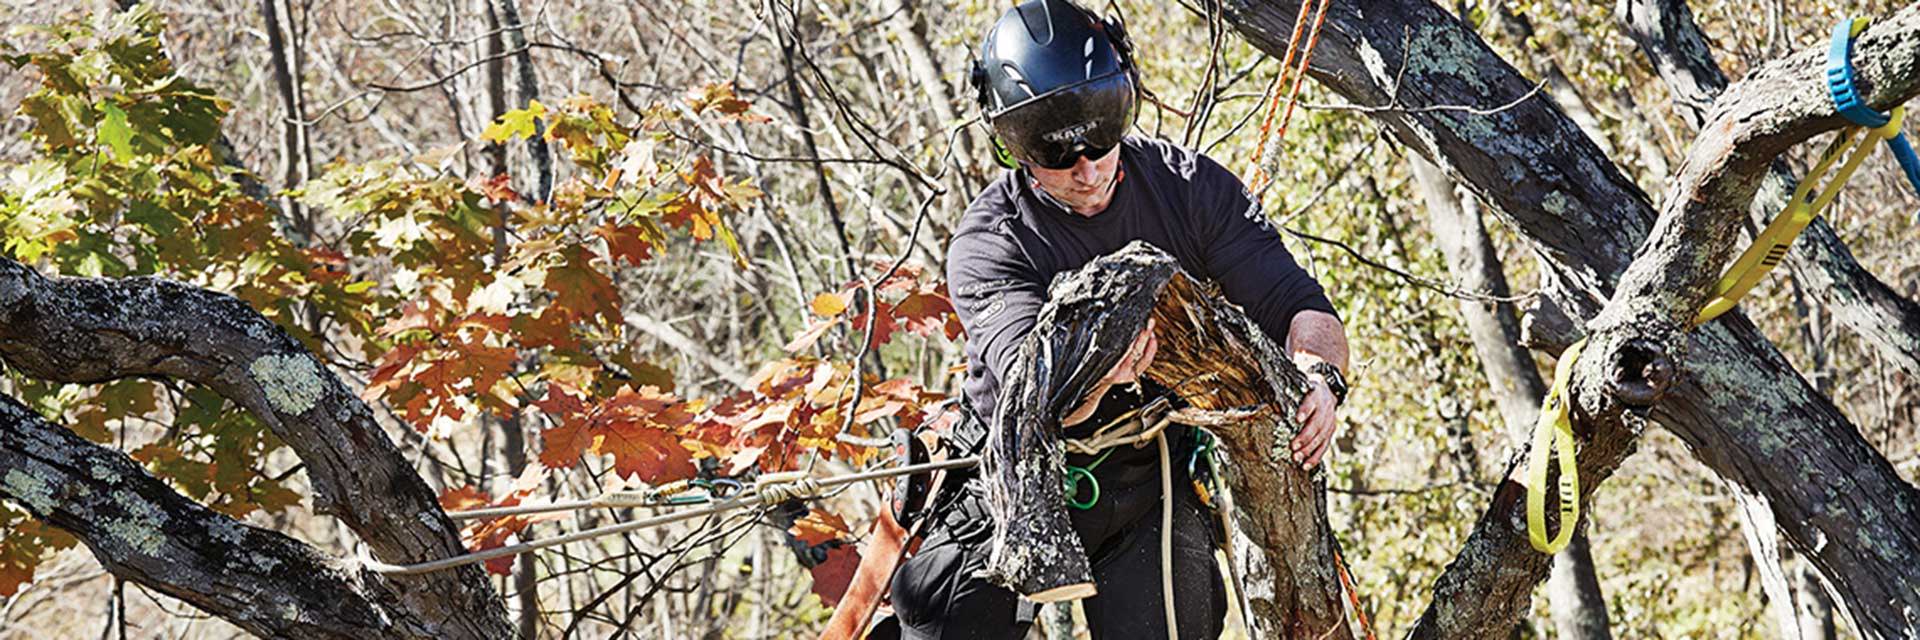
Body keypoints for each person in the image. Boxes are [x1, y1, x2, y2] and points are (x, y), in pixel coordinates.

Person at [884, 1, 1351, 638]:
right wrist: (1100, 370)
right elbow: (1038, 390)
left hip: (1146, 472)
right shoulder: (991, 243)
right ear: (1008, 145)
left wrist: (1321, 379)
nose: (1087, 166)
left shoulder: (1187, 188)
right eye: (1053, 148)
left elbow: (1298, 303)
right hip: (1014, 468)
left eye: (1102, 130)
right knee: (942, 618)